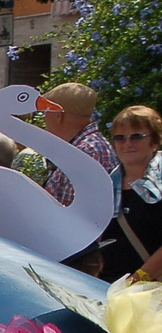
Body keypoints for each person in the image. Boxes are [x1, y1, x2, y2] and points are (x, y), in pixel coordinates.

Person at [93, 105, 162, 281]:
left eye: (136, 137)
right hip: (110, 288)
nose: (127, 144)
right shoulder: (107, 185)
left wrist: (140, 277)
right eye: (120, 138)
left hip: (152, 291)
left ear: (154, 141)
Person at [40, 82, 120, 207]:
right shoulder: (92, 146)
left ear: (58, 116)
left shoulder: (84, 152)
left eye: (46, 113)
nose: (45, 120)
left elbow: (69, 211)